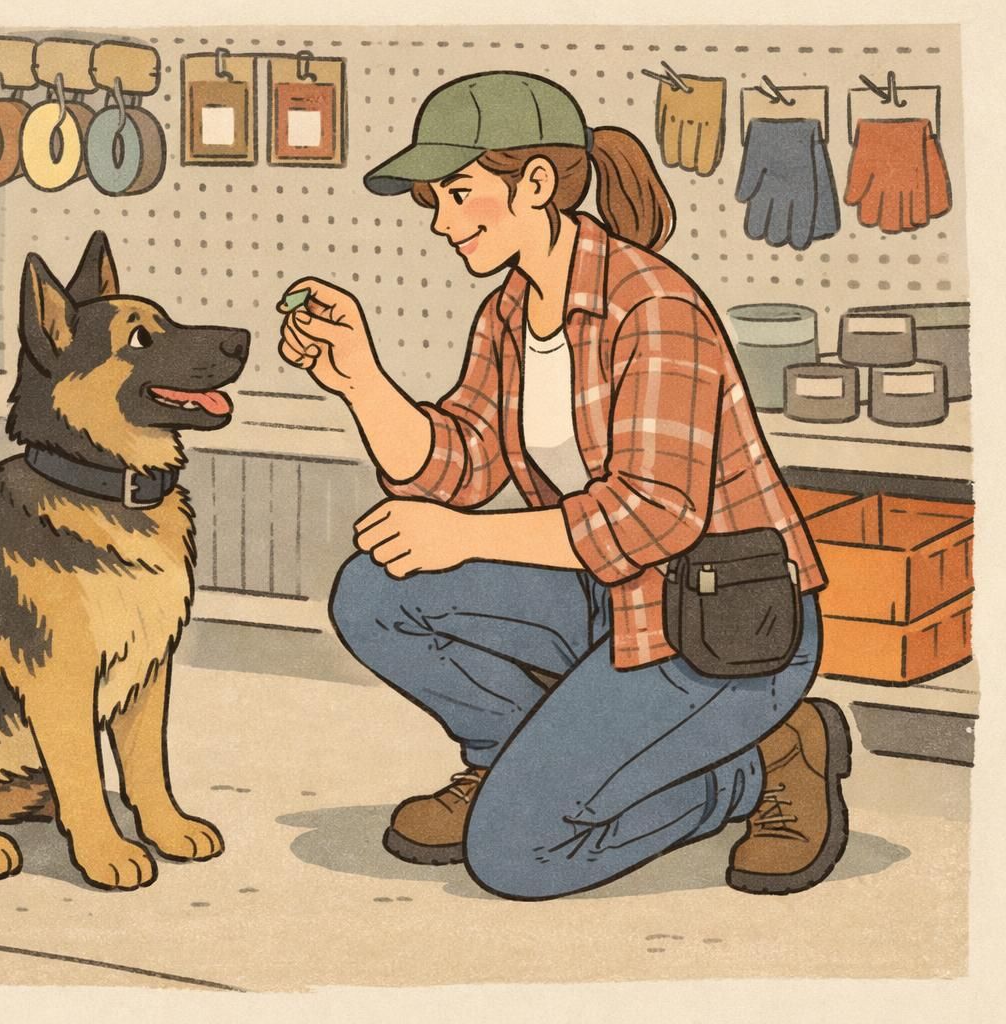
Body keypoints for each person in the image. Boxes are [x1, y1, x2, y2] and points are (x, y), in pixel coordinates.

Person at [278, 71, 850, 899]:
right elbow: (460, 465)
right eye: (433, 201)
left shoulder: (654, 306)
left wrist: (464, 537)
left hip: (721, 630)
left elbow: (657, 516)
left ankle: (765, 762)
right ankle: (507, 766)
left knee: (518, 856)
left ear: (537, 184)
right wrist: (360, 378)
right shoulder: (510, 311)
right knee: (376, 592)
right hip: (605, 600)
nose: (441, 222)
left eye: (459, 193)